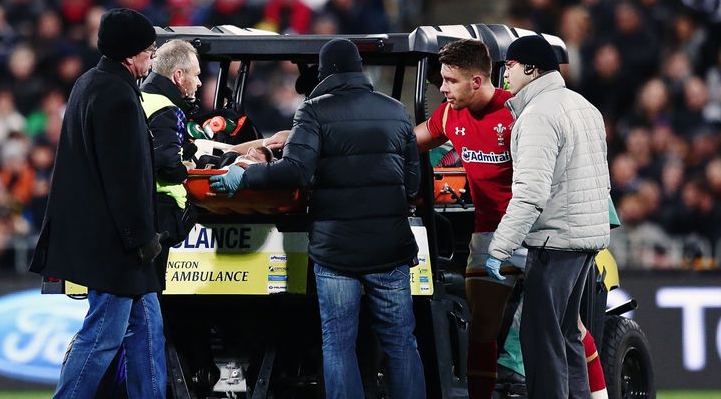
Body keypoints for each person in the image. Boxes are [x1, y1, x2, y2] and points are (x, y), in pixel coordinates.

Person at [210, 38, 425, 399]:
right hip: (391, 248)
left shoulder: (313, 111)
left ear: (325, 73)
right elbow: (413, 184)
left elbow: (294, 172)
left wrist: (244, 176)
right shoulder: (396, 110)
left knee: (338, 345)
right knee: (401, 342)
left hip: (336, 251)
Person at [28, 8, 167, 399]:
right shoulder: (116, 95)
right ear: (129, 55)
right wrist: (139, 239)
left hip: (114, 244)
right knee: (103, 337)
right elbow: (123, 180)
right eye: (148, 50)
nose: (152, 57)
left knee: (148, 335)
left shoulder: (90, 83)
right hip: (117, 249)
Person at [487, 34, 610, 399]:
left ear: (530, 68)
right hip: (583, 238)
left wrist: (499, 248)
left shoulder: (539, 115)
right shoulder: (584, 106)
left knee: (541, 339)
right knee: (567, 335)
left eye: (509, 66)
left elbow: (531, 193)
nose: (504, 74)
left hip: (554, 240)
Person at [412, 38, 521, 399]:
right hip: (489, 234)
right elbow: (407, 142)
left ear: (476, 81)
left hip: (537, 232)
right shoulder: (448, 115)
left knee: (567, 328)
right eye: (442, 79)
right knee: (482, 330)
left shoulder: (517, 113)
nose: (442, 88)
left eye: (450, 80)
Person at [140, 39, 202, 288]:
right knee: (151, 294)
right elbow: (167, 164)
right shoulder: (166, 108)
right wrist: (184, 168)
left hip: (138, 207)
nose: (199, 82)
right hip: (160, 211)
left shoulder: (139, 98)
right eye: (196, 75)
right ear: (178, 76)